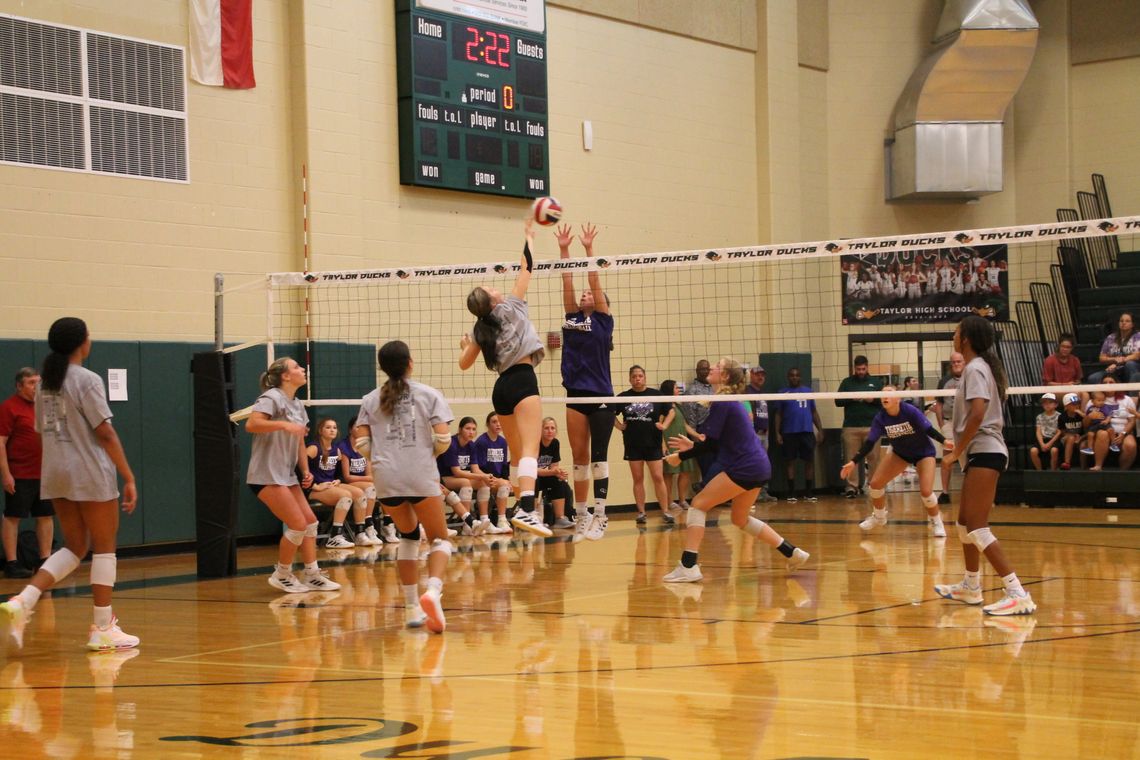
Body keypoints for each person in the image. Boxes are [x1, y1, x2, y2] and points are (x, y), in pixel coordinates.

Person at [1, 318, 142, 650]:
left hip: (55, 472)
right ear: (83, 343)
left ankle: (23, 601)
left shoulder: (45, 384)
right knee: (104, 546)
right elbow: (104, 432)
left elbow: (39, 432)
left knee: (75, 547)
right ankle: (103, 627)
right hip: (88, 470)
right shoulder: (87, 380)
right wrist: (129, 476)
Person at [661, 358, 809, 583]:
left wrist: (679, 457)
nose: (712, 368)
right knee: (740, 519)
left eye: (717, 366)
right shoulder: (726, 401)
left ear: (726, 376)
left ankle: (688, 566)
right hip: (757, 465)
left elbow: (711, 445)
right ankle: (792, 552)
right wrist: (692, 446)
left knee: (698, 506)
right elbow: (716, 442)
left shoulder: (723, 401)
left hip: (745, 466)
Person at [935, 315, 1036, 616]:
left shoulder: (976, 368)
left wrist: (957, 450)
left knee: (977, 526)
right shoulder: (976, 368)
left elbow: (978, 413)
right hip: (980, 453)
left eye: (956, 331)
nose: (953, 335)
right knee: (965, 523)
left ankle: (1017, 592)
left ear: (965, 338)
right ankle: (971, 586)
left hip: (986, 451)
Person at [460, 219, 551, 538]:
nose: (494, 286)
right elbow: (527, 268)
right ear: (493, 300)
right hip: (524, 381)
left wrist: (465, 346)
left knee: (517, 451)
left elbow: (463, 364)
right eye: (490, 288)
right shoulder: (511, 305)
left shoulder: (479, 330)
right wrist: (528, 236)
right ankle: (526, 507)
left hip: (501, 390)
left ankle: (516, 506)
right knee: (530, 449)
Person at [354, 340, 453, 633]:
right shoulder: (429, 395)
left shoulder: (370, 399)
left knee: (408, 537)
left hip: (387, 479)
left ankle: (411, 608)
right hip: (420, 474)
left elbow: (361, 444)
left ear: (382, 368)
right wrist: (424, 456)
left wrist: (386, 459)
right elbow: (444, 440)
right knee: (440, 539)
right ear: (410, 362)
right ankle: (432, 592)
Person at [244, 357, 341, 594]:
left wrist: (306, 472)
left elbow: (298, 441)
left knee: (310, 523)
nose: (302, 369)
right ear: (285, 376)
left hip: (287, 475)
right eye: (297, 367)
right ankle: (282, 573)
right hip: (265, 475)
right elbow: (252, 424)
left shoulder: (297, 405)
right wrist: (284, 425)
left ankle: (312, 574)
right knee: (297, 524)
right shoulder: (272, 397)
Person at [555, 222, 616, 542]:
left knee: (598, 457)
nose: (585, 292)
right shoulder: (572, 317)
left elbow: (594, 277)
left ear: (602, 301)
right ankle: (581, 517)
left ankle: (601, 516)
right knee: (579, 457)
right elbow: (568, 281)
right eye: (584, 293)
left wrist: (589, 249)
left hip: (603, 395)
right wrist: (565, 250)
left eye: (591, 293)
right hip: (576, 394)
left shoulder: (604, 321)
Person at [841, 388, 949, 538]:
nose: (885, 397)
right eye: (883, 395)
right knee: (875, 484)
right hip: (901, 454)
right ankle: (879, 516)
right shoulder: (880, 418)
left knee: (926, 491)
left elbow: (928, 429)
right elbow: (870, 442)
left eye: (889, 394)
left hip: (923, 453)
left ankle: (937, 521)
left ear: (898, 398)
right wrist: (853, 462)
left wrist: (944, 442)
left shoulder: (910, 411)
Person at [0, 368, 54, 578]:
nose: (36, 387)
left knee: (45, 515)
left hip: (44, 473)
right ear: (19, 386)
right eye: (31, 383)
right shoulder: (8, 408)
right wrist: (6, 474)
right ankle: (12, 563)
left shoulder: (44, 407)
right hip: (20, 473)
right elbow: (1, 443)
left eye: (38, 382)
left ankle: (45, 560)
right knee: (13, 517)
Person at [614, 365, 674, 526]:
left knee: (658, 477)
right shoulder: (623, 397)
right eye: (634, 376)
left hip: (653, 443)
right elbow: (608, 412)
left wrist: (665, 425)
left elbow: (672, 411)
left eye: (640, 376)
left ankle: (666, 511)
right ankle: (641, 512)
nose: (637, 379)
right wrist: (619, 426)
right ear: (629, 379)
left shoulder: (656, 395)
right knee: (638, 478)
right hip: (633, 444)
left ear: (645, 377)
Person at [307, 418, 378, 548]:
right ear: (320, 431)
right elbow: (298, 467)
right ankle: (335, 536)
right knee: (345, 496)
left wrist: (338, 480)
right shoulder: (314, 448)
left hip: (330, 485)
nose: (332, 430)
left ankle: (360, 534)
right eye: (328, 427)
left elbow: (340, 474)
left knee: (359, 493)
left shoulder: (336, 450)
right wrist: (314, 485)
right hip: (315, 489)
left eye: (334, 427)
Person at [338, 415, 394, 544]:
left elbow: (369, 472)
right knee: (371, 488)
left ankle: (388, 524)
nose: (360, 429)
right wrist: (370, 479)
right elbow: (347, 477)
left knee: (386, 485)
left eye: (363, 427)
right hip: (346, 482)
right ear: (350, 429)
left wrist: (372, 478)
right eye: (357, 426)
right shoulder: (343, 447)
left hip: (361, 481)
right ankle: (368, 526)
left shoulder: (365, 446)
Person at [773, 368, 823, 502]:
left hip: (806, 431)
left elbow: (813, 412)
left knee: (809, 462)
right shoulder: (782, 392)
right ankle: (791, 492)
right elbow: (778, 414)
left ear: (800, 377)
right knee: (790, 462)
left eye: (797, 375)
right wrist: (777, 432)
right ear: (788, 377)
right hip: (789, 432)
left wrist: (820, 430)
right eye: (792, 375)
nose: (794, 378)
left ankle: (809, 492)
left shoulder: (808, 391)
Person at [835, 355, 882, 498]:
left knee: (874, 458)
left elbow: (884, 402)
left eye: (863, 369)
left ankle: (875, 486)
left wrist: (872, 399)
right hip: (851, 427)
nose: (861, 371)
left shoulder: (876, 382)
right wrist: (851, 397)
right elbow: (837, 401)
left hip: (872, 427)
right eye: (858, 369)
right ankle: (851, 487)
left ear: (867, 367)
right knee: (851, 458)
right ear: (854, 368)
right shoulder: (847, 383)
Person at [436, 416, 491, 536]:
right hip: (445, 477)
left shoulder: (471, 445)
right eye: (468, 428)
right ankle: (468, 525)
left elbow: (475, 469)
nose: (471, 432)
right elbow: (456, 472)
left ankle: (484, 520)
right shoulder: (452, 443)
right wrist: (481, 477)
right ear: (460, 429)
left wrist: (488, 477)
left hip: (460, 478)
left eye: (473, 429)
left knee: (484, 483)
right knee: (466, 482)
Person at [660, 380, 697, 512]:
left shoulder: (678, 406)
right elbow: (659, 427)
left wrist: (697, 435)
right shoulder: (663, 406)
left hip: (683, 443)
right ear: (669, 390)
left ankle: (682, 500)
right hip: (670, 442)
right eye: (676, 388)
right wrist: (662, 444)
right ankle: (669, 501)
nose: (678, 390)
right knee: (669, 473)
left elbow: (685, 425)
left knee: (685, 471)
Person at [472, 411, 513, 533]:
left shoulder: (502, 441)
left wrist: (506, 479)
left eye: (500, 421)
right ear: (488, 424)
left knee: (505, 485)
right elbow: (481, 466)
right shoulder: (482, 441)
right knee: (501, 485)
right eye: (494, 422)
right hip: (483, 477)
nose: (498, 424)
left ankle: (502, 520)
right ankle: (490, 521)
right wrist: (497, 479)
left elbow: (504, 464)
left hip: (497, 479)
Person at [934, 352, 964, 504]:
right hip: (949, 422)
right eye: (953, 362)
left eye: (959, 361)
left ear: (964, 362)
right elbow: (938, 404)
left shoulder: (970, 378)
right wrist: (941, 424)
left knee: (968, 457)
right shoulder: (944, 381)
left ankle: (971, 492)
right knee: (947, 458)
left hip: (966, 423)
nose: (956, 364)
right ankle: (945, 492)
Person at [744, 366, 776, 503]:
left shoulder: (763, 393)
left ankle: (763, 492)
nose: (760, 377)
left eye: (763, 374)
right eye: (757, 374)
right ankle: (752, 494)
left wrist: (767, 429)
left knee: (764, 464)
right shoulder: (747, 392)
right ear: (751, 375)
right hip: (754, 434)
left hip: (764, 434)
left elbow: (765, 415)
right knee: (753, 464)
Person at [536, 416, 573, 529]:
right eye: (546, 428)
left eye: (552, 428)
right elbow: (532, 470)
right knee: (534, 480)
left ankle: (560, 518)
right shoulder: (535, 443)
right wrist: (553, 472)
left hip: (545, 475)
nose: (550, 431)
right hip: (532, 476)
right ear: (540, 430)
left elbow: (554, 466)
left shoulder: (555, 443)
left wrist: (559, 473)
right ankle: (533, 518)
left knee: (560, 481)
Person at [1087, 312, 1140, 385]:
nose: (1123, 323)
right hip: (1114, 369)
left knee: (1130, 364)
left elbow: (1137, 355)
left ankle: (1132, 394)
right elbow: (1102, 358)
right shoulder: (1111, 338)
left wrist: (1119, 363)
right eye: (1121, 321)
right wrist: (1114, 359)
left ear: (1133, 324)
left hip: (1132, 367)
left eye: (1127, 321)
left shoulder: (1137, 336)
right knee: (1093, 378)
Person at [1102, 377, 1137, 469]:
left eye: (1111, 382)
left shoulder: (1127, 399)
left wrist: (1123, 434)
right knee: (1102, 435)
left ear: (1117, 384)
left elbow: (1131, 421)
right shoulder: (1094, 400)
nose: (1108, 385)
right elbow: (1087, 424)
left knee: (1131, 445)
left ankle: (1122, 473)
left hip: (1124, 430)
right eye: (1105, 382)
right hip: (1104, 431)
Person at [1029, 393, 1061, 471]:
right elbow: (1038, 431)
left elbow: (1059, 432)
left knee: (1054, 450)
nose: (1047, 405)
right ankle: (1040, 471)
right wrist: (1042, 444)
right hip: (1042, 439)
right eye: (1045, 403)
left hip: (1054, 439)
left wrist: (1049, 443)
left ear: (1056, 404)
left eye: (1050, 402)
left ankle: (1053, 471)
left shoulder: (1059, 416)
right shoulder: (1039, 417)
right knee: (1033, 451)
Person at [1057, 393, 1085, 470]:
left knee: (1082, 443)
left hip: (1081, 436)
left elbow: (1088, 425)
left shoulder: (1081, 415)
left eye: (1077, 403)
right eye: (1073, 404)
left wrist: (1082, 415)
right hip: (1067, 437)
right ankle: (1067, 463)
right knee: (1071, 438)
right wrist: (1071, 435)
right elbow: (1062, 431)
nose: (1076, 406)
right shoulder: (1062, 417)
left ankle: (1083, 468)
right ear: (1066, 406)